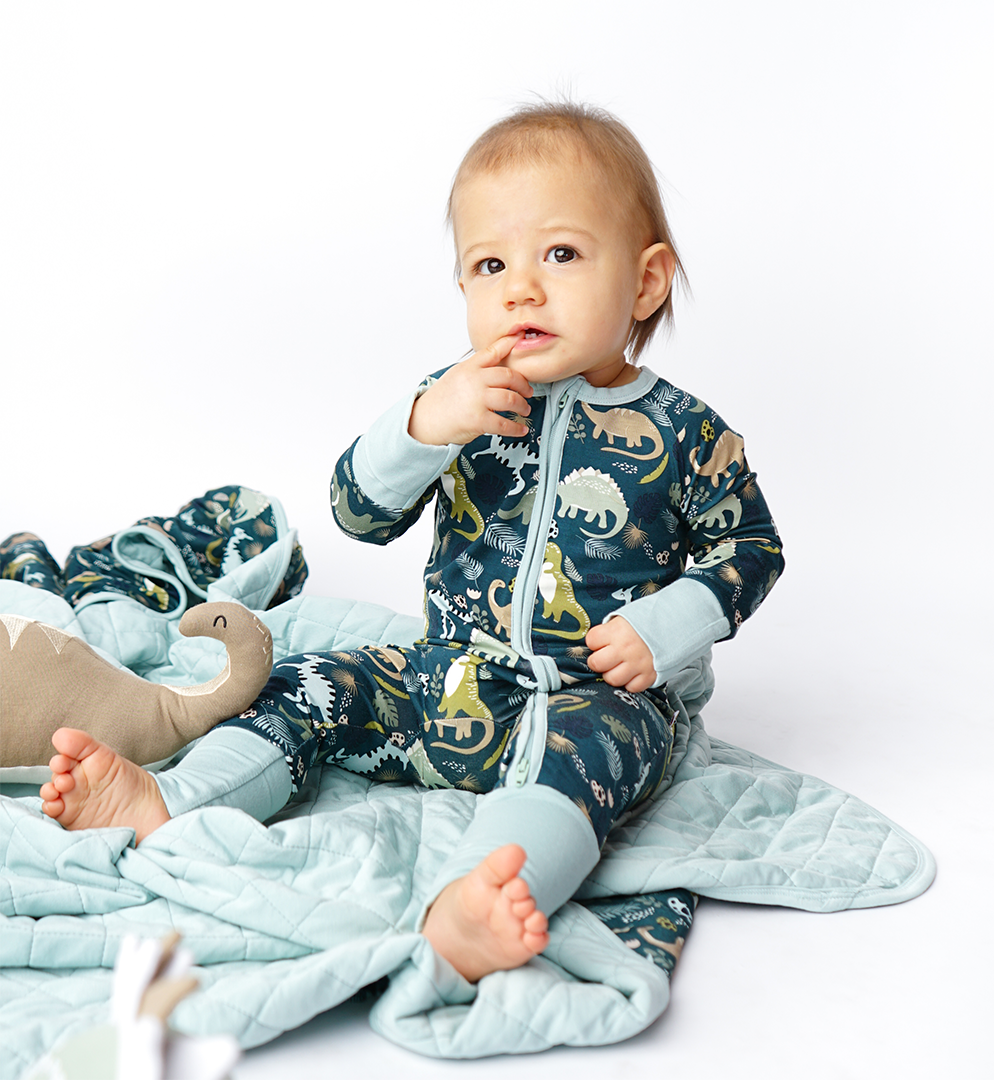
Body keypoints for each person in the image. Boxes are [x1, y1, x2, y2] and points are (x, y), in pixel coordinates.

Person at [40, 101, 784, 983]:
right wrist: (427, 425)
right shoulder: (457, 398)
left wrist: (668, 629)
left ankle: (483, 896)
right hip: (451, 678)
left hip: (596, 696)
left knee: (583, 760)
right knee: (311, 681)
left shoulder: (685, 430)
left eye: (562, 255)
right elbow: (358, 511)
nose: (522, 288)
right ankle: (170, 799)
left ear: (647, 281)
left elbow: (751, 549)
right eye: (490, 264)